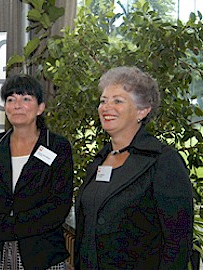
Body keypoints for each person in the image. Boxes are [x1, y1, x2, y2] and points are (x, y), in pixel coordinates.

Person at [74, 66, 194, 269]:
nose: (106, 107)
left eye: (117, 101)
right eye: (103, 101)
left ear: (142, 110)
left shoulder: (163, 161)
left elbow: (177, 243)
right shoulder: (99, 160)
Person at [0, 74, 74, 269]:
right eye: (11, 99)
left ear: (40, 107)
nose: (17, 105)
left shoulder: (57, 146)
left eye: (26, 99)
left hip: (42, 253)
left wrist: (2, 226)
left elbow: (58, 208)